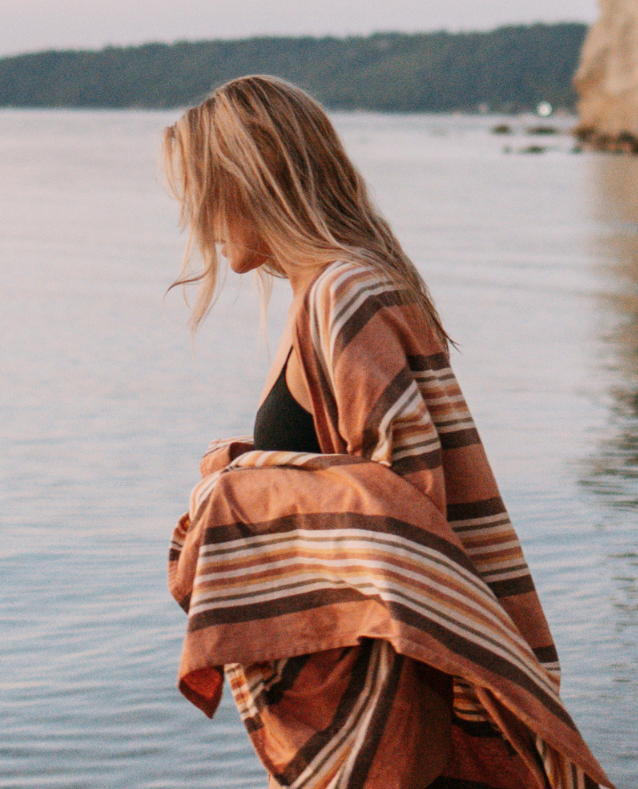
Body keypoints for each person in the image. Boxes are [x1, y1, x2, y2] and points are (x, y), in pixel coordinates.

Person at [159, 75, 610, 789]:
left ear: (252, 181)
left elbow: (406, 507)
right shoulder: (323, 293)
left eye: (201, 188)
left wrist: (238, 490)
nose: (192, 214)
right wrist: (254, 471)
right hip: (381, 667)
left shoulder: (345, 293)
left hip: (402, 682)